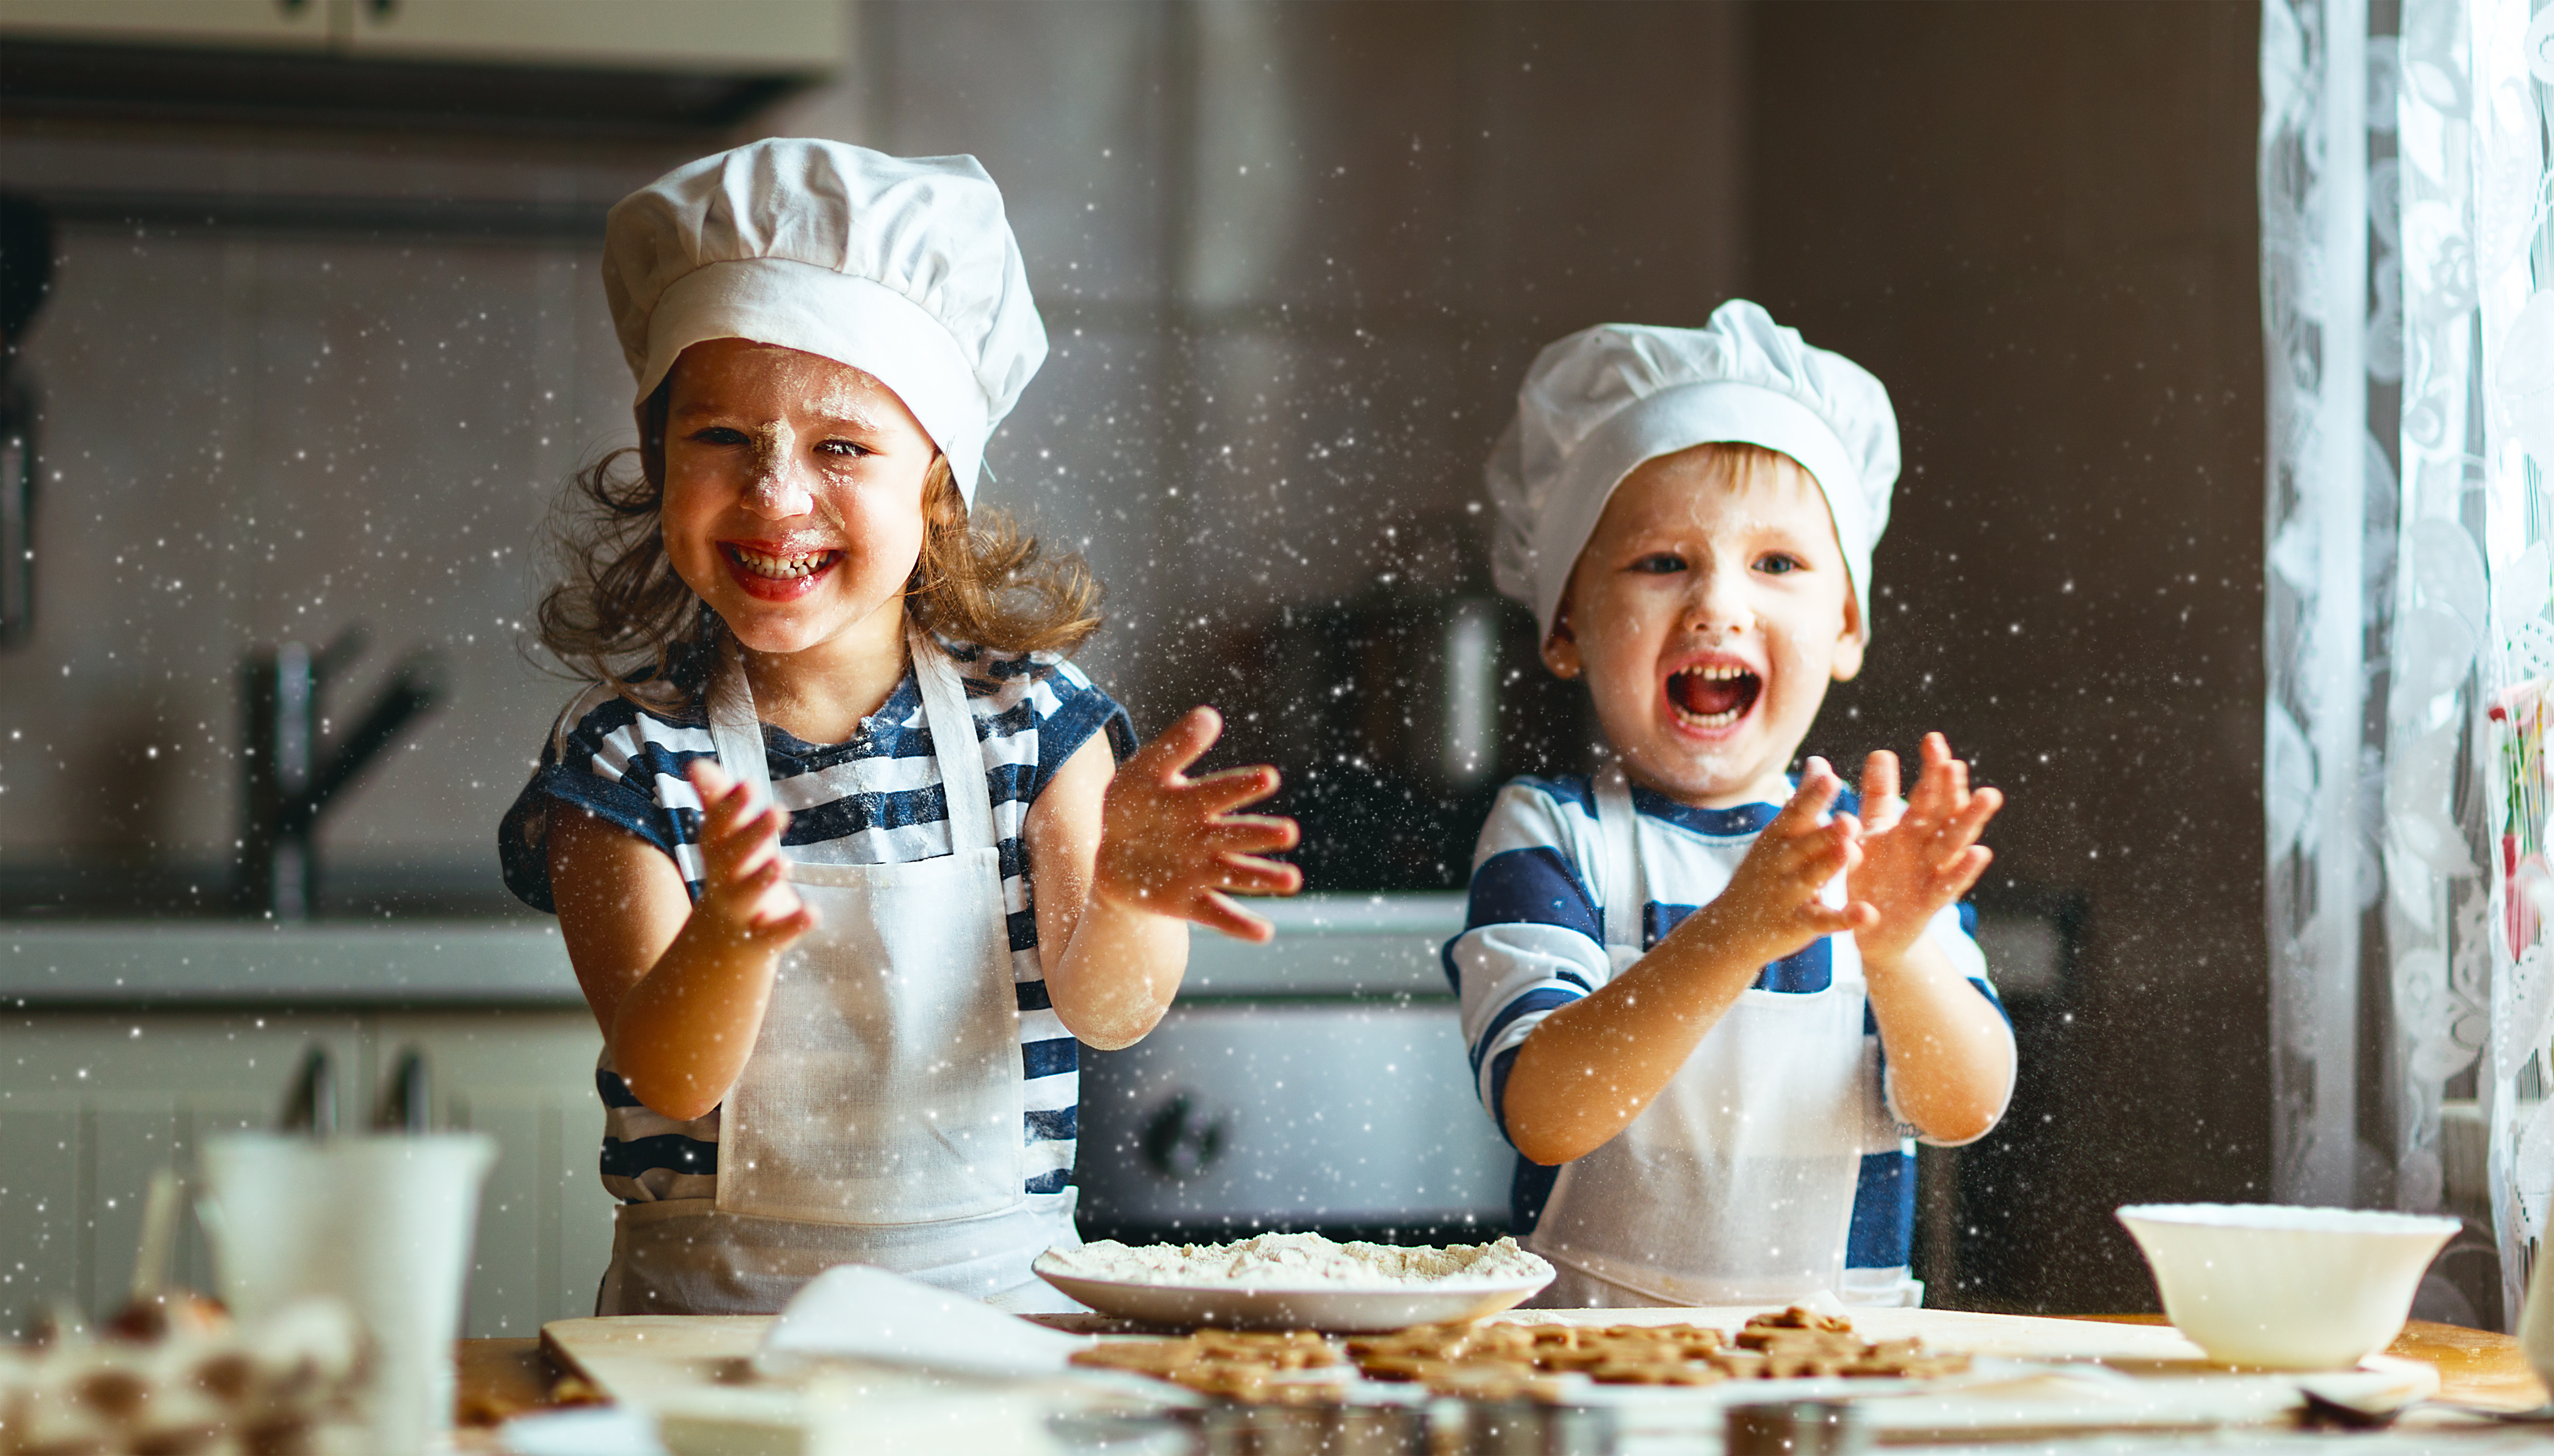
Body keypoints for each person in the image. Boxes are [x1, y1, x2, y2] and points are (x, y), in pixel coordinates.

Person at [498, 139, 1300, 1316]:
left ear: (936, 485)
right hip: (710, 1339)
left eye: (841, 447)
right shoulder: (627, 762)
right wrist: (728, 935)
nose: (775, 494)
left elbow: (1107, 1012)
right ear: (658, 461)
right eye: (720, 437)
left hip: (1002, 1326)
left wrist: (1126, 893)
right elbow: (670, 1072)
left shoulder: (1036, 724)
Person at [1449, 301, 2017, 1309]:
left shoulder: (1874, 856)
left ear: (1845, 626)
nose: (1718, 603)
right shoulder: (1552, 834)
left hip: (1837, 1380)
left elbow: (1963, 1106)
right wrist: (1732, 934)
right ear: (1566, 621)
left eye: (1778, 564)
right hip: (1589, 1378)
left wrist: (1894, 950)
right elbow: (1543, 1109)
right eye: (1662, 561)